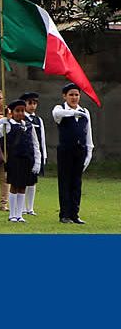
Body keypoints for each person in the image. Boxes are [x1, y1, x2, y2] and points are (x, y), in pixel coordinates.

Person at [0, 99, 40, 223]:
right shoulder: (8, 125)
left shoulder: (29, 125)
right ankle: (12, 214)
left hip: (27, 159)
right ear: (12, 112)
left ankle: (19, 213)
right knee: (14, 186)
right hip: (14, 159)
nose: (20, 113)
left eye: (22, 111)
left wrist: (37, 160)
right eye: (17, 111)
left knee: (23, 186)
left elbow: (35, 143)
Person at [53, 83, 93, 225]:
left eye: (76, 94)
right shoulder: (60, 109)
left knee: (76, 183)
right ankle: (64, 214)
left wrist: (89, 154)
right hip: (65, 151)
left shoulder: (85, 112)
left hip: (80, 151)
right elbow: (57, 115)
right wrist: (73, 112)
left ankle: (74, 214)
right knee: (65, 182)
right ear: (65, 96)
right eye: (71, 94)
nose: (74, 97)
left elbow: (88, 135)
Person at [19, 92, 47, 217]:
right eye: (30, 103)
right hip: (24, 153)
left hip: (35, 153)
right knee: (22, 180)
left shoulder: (38, 120)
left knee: (32, 181)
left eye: (34, 103)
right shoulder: (21, 119)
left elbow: (42, 139)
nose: (32, 106)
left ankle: (30, 207)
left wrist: (43, 155)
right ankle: (22, 207)